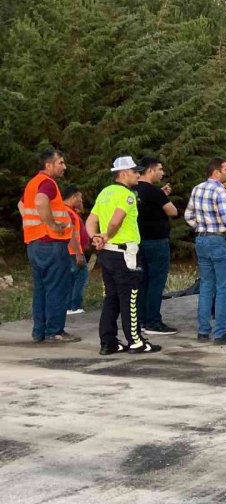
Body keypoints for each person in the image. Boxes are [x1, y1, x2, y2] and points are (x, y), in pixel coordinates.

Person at [87, 156, 161, 355]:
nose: (138, 174)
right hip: (125, 253)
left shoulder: (104, 193)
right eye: (135, 171)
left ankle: (108, 341)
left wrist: (95, 237)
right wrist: (107, 234)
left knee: (111, 297)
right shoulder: (127, 195)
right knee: (130, 297)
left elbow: (90, 220)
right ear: (123, 173)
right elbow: (115, 221)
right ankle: (135, 340)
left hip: (107, 253)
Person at [18, 148, 79, 343]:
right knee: (57, 288)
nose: (64, 167)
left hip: (34, 244)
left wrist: (37, 223)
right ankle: (55, 331)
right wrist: (51, 224)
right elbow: (41, 200)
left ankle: (39, 332)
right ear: (48, 165)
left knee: (41, 289)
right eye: (60, 163)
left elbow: (22, 205)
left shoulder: (32, 183)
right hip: (51, 243)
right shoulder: (48, 183)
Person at [184, 157, 226, 345]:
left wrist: (201, 227)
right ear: (216, 172)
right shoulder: (219, 190)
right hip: (219, 240)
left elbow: (188, 215)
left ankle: (203, 331)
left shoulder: (197, 188)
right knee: (224, 287)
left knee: (206, 286)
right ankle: (221, 332)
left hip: (202, 239)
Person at [135, 156, 179, 335]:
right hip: (156, 241)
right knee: (156, 282)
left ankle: (142, 319)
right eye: (160, 169)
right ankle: (153, 321)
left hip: (138, 241)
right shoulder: (154, 192)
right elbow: (173, 211)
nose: (162, 173)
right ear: (151, 170)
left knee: (143, 282)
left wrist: (161, 195)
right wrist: (162, 197)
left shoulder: (132, 190)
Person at [63, 186, 89, 316]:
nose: (81, 200)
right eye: (80, 197)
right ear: (73, 196)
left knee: (73, 278)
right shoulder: (67, 212)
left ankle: (70, 306)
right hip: (73, 251)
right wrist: (78, 253)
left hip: (73, 251)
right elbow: (71, 234)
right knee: (81, 276)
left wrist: (80, 206)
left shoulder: (71, 211)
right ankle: (74, 306)